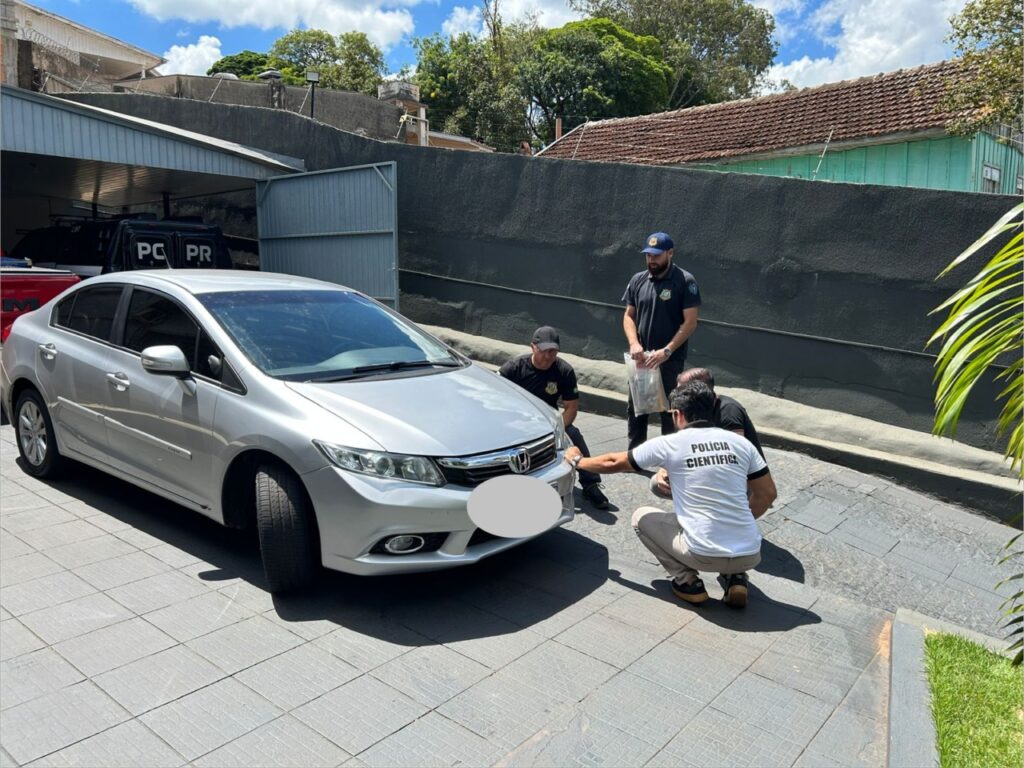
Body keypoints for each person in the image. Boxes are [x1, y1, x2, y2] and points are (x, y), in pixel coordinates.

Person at [563, 381, 777, 607]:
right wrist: (736, 521)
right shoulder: (741, 444)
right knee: (724, 518)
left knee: (641, 517)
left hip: (703, 554)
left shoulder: (672, 443)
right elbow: (767, 494)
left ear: (677, 414)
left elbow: (614, 462)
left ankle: (688, 582)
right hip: (750, 554)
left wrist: (579, 460)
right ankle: (737, 576)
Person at [500, 326, 610, 510]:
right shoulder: (513, 368)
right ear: (533, 347)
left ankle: (590, 483)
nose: (549, 356)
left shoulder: (564, 370)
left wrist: (557, 429)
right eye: (545, 351)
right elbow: (494, 398)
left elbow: (571, 408)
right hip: (515, 420)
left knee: (573, 434)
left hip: (548, 421)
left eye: (554, 351)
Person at [622, 232, 701, 449]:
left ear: (670, 253)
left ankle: (670, 456)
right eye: (648, 255)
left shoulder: (685, 281)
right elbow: (629, 316)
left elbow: (691, 322)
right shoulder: (638, 280)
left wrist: (667, 350)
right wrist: (634, 343)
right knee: (637, 408)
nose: (651, 260)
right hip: (641, 358)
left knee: (669, 410)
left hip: (669, 360)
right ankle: (635, 454)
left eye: (656, 255)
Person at [651, 367, 763, 498]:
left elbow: (735, 462)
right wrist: (665, 469)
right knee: (657, 483)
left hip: (741, 479)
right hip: (708, 467)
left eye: (684, 391)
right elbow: (682, 444)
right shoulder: (689, 410)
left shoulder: (728, 411)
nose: (679, 396)